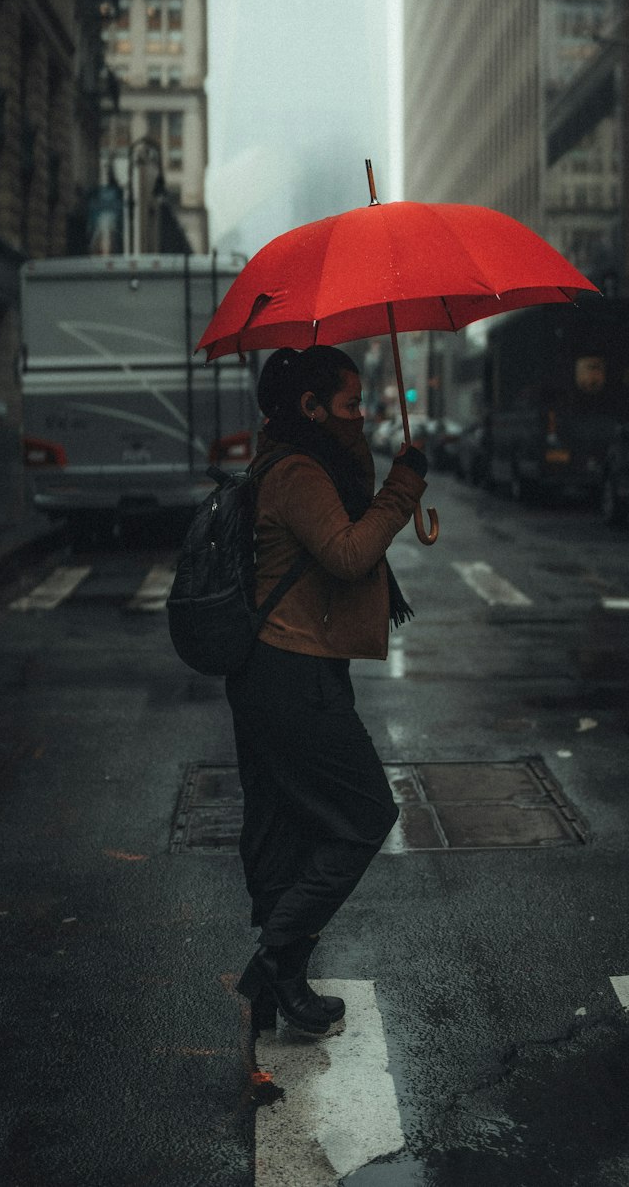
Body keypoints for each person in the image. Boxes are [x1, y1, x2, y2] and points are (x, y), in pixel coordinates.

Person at [228, 345, 428, 1036]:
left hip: (280, 669)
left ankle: (283, 981)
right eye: (350, 405)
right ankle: (275, 958)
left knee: (286, 826)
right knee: (366, 814)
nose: (362, 416)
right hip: (292, 673)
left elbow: (347, 522)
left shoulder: (302, 460)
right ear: (311, 408)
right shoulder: (299, 472)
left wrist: (382, 466)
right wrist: (402, 491)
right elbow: (348, 552)